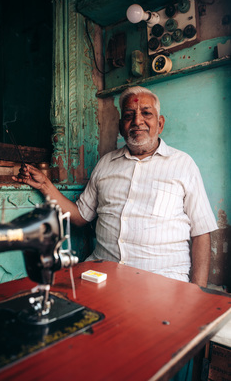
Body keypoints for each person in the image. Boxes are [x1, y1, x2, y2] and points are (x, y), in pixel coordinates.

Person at [13, 86, 218, 288]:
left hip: (162, 280)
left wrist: (197, 292)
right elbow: (81, 217)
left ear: (160, 123)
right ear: (121, 126)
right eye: (129, 115)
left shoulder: (183, 164)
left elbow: (201, 232)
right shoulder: (106, 164)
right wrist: (45, 186)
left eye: (146, 113)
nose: (137, 121)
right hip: (101, 273)